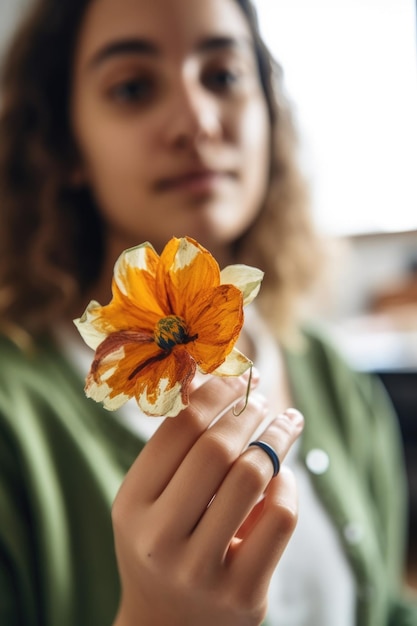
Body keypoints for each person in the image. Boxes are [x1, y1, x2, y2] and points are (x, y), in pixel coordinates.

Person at [0, 0, 415, 624]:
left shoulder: (328, 371)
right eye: (134, 87)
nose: (195, 119)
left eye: (223, 76)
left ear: (270, 115)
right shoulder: (14, 418)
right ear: (66, 143)